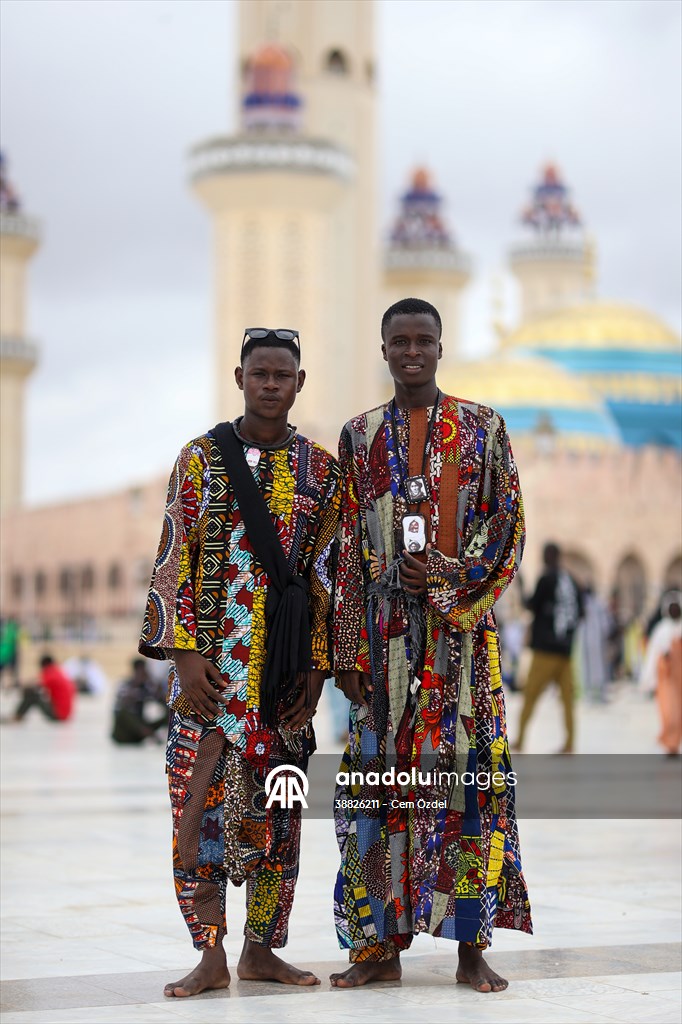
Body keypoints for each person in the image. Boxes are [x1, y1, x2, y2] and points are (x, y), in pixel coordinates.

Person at [331, 298, 531, 993]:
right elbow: (348, 551)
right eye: (399, 341)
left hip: (460, 648)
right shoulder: (358, 438)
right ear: (383, 348)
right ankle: (377, 948)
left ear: (441, 348)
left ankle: (471, 948)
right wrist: (349, 652)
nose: (411, 351)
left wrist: (447, 576)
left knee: (467, 792)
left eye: (424, 340)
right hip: (384, 651)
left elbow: (508, 529)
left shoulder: (483, 428)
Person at [139, 327, 341, 998]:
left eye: (284, 375)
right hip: (212, 687)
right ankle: (210, 954)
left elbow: (325, 580)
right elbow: (175, 561)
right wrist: (185, 654)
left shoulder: (321, 471)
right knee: (198, 815)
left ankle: (260, 950)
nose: (272, 385)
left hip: (283, 692)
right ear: (240, 377)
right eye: (261, 373)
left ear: (299, 384)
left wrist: (315, 674)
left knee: (278, 821)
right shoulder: (200, 460)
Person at [513, 542, 582, 754]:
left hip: (545, 650)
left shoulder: (546, 578)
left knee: (530, 694)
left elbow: (531, 605)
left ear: (546, 557)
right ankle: (570, 743)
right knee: (568, 700)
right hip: (566, 650)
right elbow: (581, 611)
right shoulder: (569, 580)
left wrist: (521, 586)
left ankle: (521, 739)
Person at [639, 592, 682, 756]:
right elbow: (652, 656)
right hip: (666, 680)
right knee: (668, 714)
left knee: (679, 715)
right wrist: (647, 680)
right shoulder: (661, 631)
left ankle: (674, 744)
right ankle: (669, 743)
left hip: (680, 681)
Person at [111, 658, 168, 744]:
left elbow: (164, 704)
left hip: (138, 732)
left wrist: (155, 685)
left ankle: (147, 732)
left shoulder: (147, 687)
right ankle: (149, 733)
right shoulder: (124, 685)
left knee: (170, 714)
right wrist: (136, 685)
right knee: (124, 712)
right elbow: (120, 709)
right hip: (123, 734)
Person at [14, 654, 76, 722]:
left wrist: (20, 687)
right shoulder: (58, 671)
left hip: (59, 714)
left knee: (32, 695)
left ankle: (17, 716)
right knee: (34, 694)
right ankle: (17, 716)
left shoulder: (50, 672)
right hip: (65, 714)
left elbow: (35, 685)